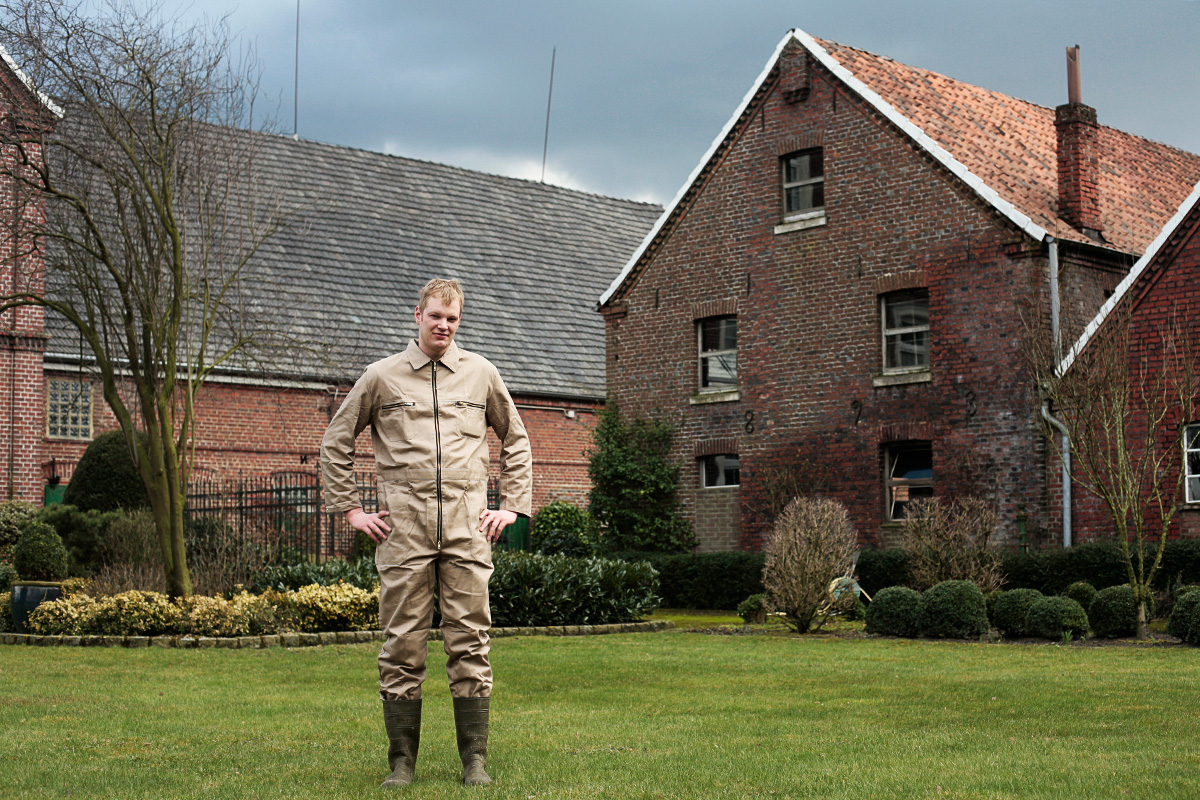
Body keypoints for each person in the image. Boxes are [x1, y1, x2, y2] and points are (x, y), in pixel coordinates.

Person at [320, 278, 532, 788]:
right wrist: (351, 511)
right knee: (401, 645)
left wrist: (513, 508)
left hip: (467, 529)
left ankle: (474, 760)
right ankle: (401, 762)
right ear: (417, 315)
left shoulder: (481, 374)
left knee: (471, 641)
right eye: (436, 316)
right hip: (403, 532)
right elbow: (335, 442)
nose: (444, 325)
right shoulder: (381, 377)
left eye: (453, 319)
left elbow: (517, 439)